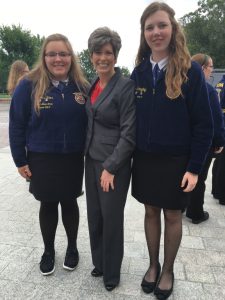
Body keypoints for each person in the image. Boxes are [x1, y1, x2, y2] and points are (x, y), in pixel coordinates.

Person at [131, 2, 213, 299]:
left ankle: (167, 270)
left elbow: (204, 125)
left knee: (173, 215)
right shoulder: (139, 71)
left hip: (177, 161)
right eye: (150, 27)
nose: (156, 32)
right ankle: (152, 266)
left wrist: (194, 167)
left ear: (172, 28)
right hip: (145, 159)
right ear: (143, 33)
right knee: (150, 211)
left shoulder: (190, 71)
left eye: (161, 25)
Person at [9, 33, 89, 276]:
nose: (58, 59)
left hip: (72, 157)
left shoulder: (82, 85)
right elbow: (17, 125)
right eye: (52, 54)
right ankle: (48, 251)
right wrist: (20, 160)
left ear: (71, 57)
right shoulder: (28, 84)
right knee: (48, 203)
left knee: (70, 201)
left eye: (63, 54)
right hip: (41, 157)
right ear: (44, 56)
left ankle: (73, 248)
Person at [85, 27, 136, 291]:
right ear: (91, 55)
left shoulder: (124, 86)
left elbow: (129, 133)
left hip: (112, 167)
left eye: (108, 52)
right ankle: (100, 262)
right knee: (94, 215)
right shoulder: (93, 84)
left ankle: (112, 272)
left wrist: (111, 167)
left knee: (111, 217)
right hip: (90, 161)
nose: (102, 57)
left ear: (115, 56)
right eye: (98, 52)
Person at [186, 54, 225, 223]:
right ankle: (195, 213)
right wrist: (219, 141)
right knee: (199, 178)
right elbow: (215, 120)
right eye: (210, 67)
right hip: (202, 143)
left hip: (184, 142)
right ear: (202, 68)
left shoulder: (181, 85)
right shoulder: (207, 90)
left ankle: (181, 206)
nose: (211, 71)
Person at [212, 75, 225, 205]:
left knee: (219, 160)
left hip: (221, 119)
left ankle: (216, 190)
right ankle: (222, 193)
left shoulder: (220, 83)